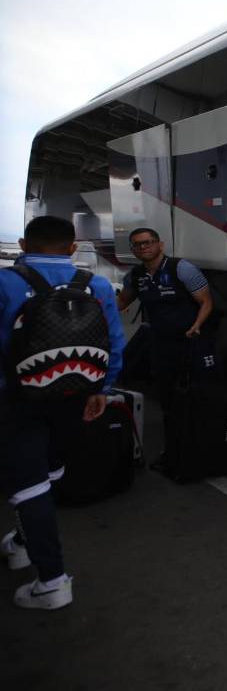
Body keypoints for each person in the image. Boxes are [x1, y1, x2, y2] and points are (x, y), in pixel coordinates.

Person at [0, 215, 126, 609]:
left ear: (23, 245)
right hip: (74, 392)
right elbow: (113, 340)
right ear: (73, 248)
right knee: (50, 469)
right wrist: (102, 388)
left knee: (28, 483)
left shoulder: (5, 283)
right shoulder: (96, 284)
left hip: (17, 397)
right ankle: (23, 540)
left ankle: (52, 581)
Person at [116, 228, 213, 465]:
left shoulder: (182, 269)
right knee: (168, 398)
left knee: (198, 395)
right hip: (160, 344)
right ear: (133, 250)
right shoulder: (136, 276)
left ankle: (206, 446)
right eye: (137, 245)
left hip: (191, 343)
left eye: (148, 242)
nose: (143, 247)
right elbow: (121, 302)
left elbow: (206, 302)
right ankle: (176, 450)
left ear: (160, 245)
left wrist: (197, 326)